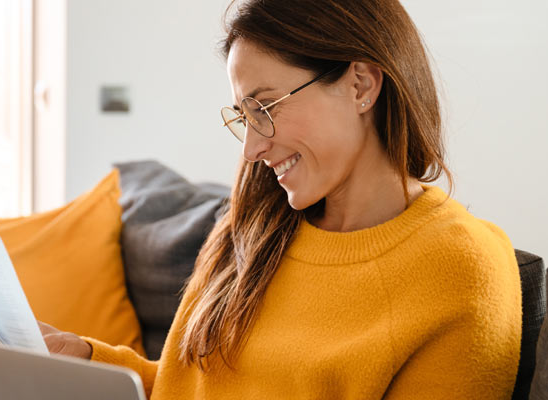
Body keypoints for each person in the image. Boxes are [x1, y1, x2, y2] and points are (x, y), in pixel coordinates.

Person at [40, 0, 522, 398]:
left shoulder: (460, 268)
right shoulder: (252, 227)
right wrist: (90, 361)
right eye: (243, 116)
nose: (251, 149)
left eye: (265, 107)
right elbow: (185, 386)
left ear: (361, 85)